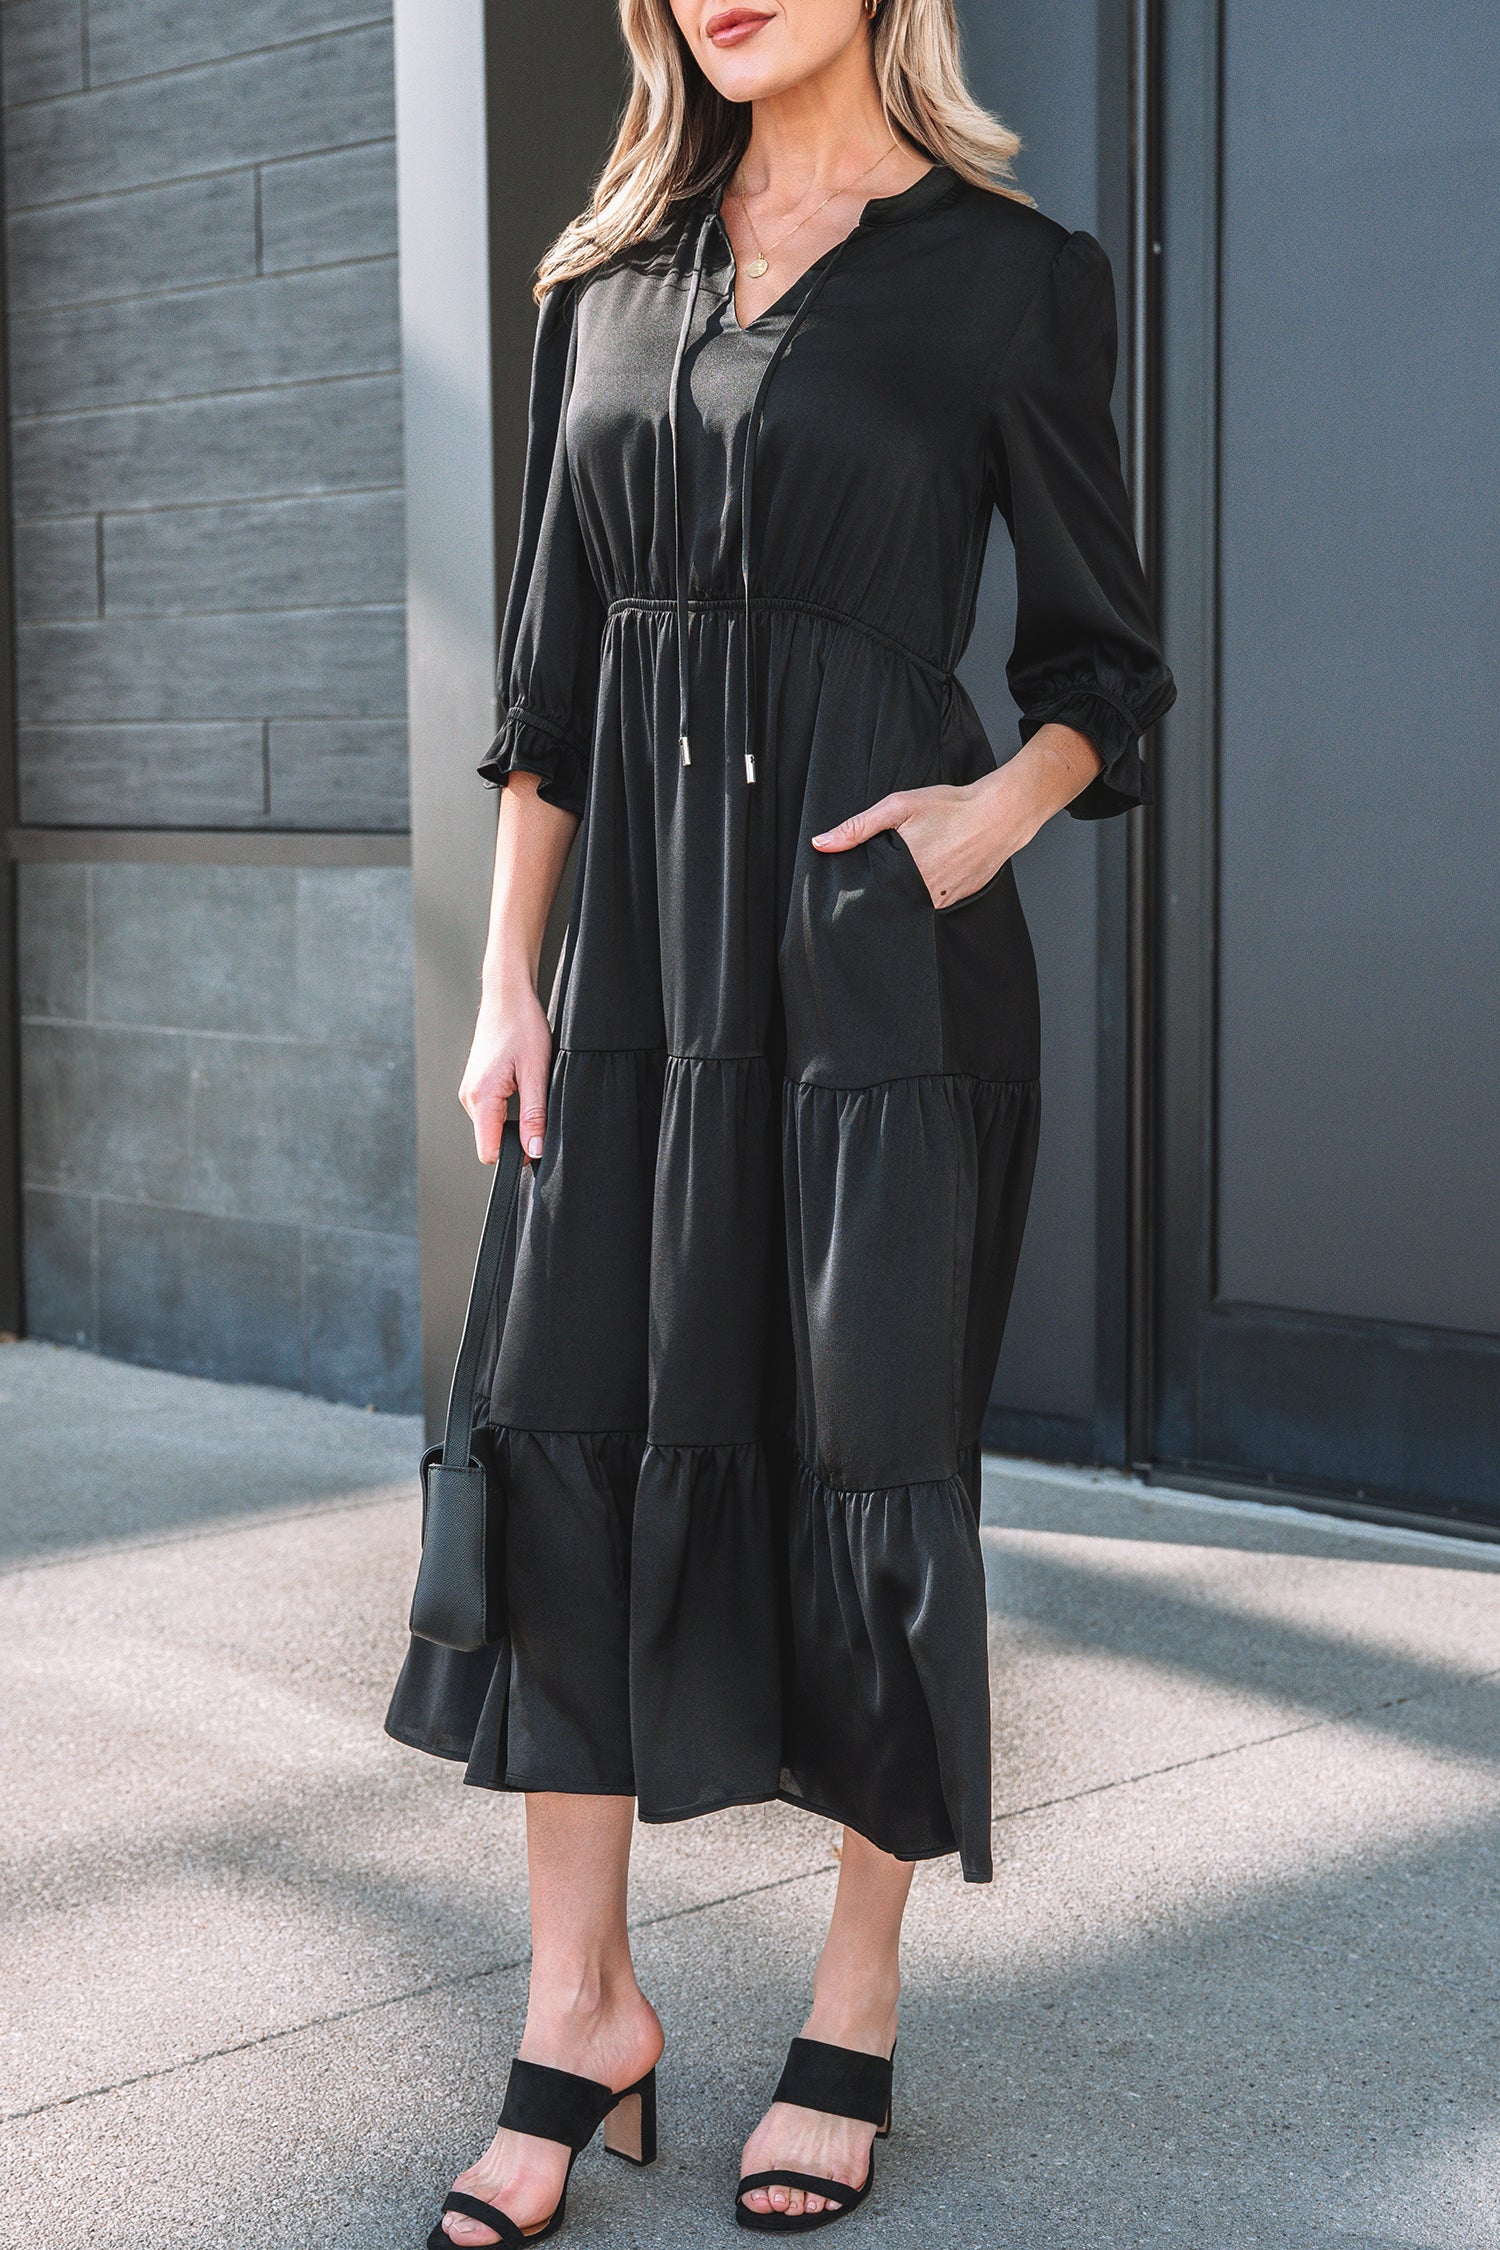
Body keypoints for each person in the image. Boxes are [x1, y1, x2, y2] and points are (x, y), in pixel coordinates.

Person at [387, 0, 1174, 2239]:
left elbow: (1106, 673)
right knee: (554, 1441)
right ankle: (580, 2015)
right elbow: (547, 682)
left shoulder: (1017, 279)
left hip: (868, 979)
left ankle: (854, 1995)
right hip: (618, 981)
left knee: (864, 1451)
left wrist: (979, 826)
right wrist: (506, 984)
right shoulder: (603, 277)